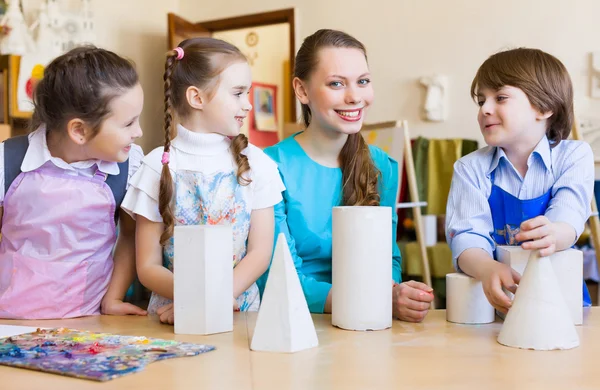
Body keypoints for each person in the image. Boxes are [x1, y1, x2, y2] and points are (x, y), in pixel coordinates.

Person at [259, 29, 434, 323]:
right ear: (302, 90)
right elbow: (275, 274)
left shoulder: (382, 166)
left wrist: (394, 291)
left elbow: (387, 257)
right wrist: (369, 298)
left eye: (363, 81)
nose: (354, 97)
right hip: (292, 322)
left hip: (366, 320)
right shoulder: (269, 166)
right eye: (336, 83)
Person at [122, 38, 285, 324]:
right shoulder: (154, 166)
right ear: (196, 98)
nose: (247, 105)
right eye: (237, 93)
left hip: (240, 317)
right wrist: (195, 299)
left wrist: (215, 298)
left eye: (248, 93)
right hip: (170, 318)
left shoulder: (257, 163)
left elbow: (260, 253)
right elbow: (147, 266)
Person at [0, 46, 146, 319]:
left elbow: (129, 236)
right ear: (79, 130)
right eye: (128, 124)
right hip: (9, 319)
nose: (139, 132)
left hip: (88, 321)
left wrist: (112, 299)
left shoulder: (129, 166)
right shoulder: (7, 162)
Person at [446, 48, 594, 314]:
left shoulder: (574, 156)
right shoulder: (469, 168)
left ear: (544, 107)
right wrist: (487, 267)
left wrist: (555, 233)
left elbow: (570, 213)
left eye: (500, 97)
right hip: (493, 305)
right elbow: (467, 236)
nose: (485, 110)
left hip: (562, 302)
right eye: (481, 101)